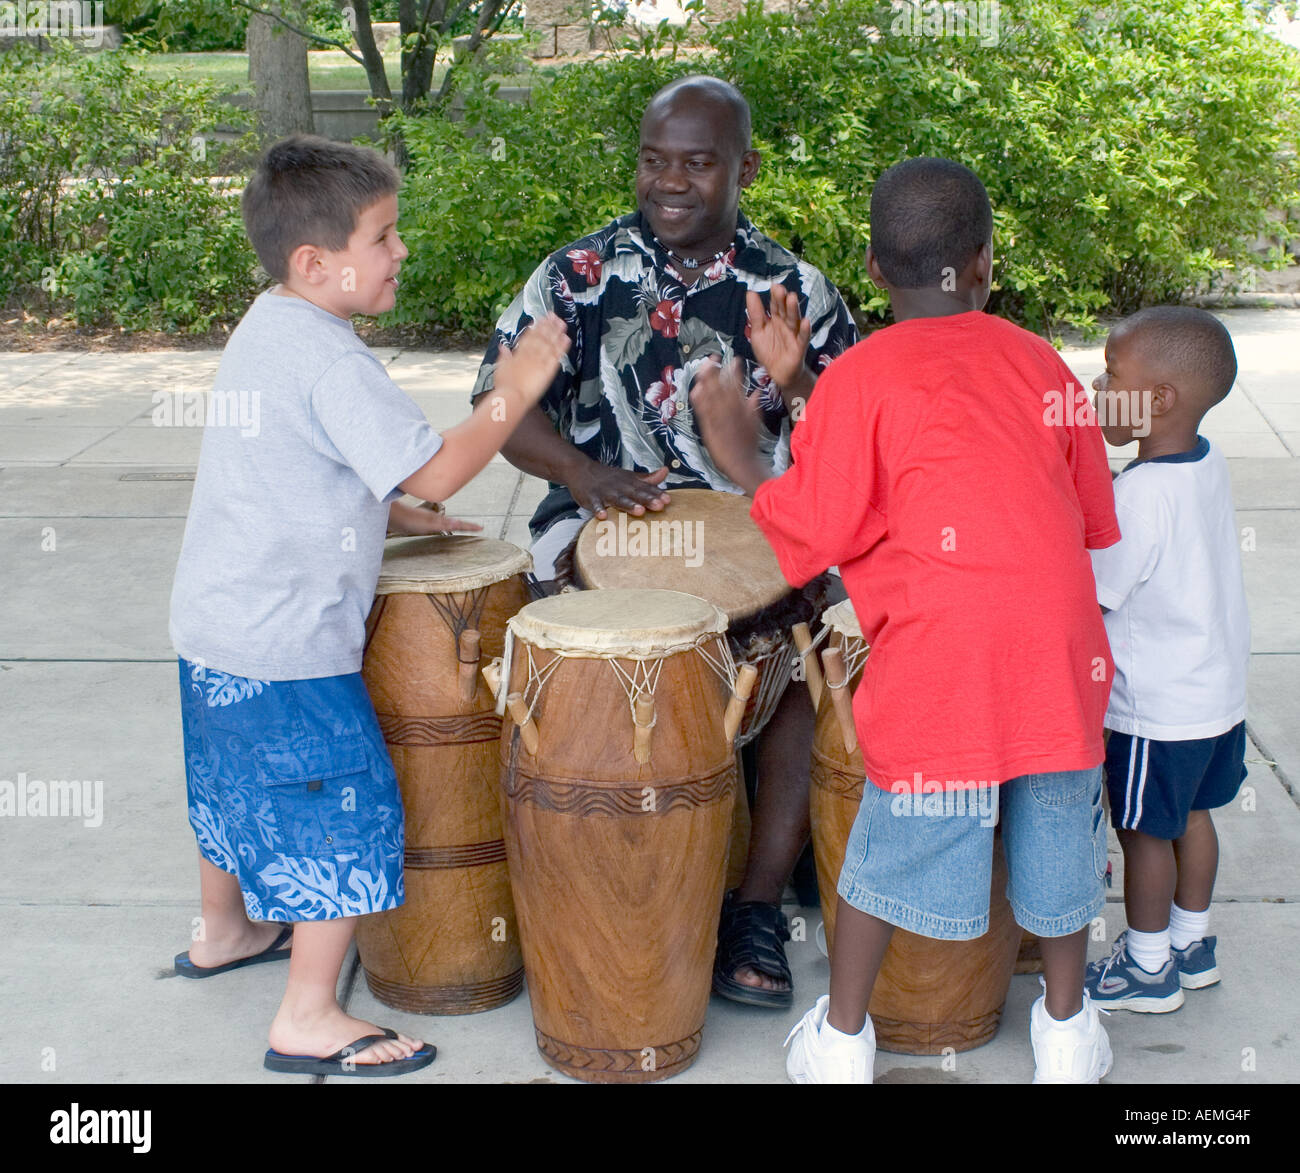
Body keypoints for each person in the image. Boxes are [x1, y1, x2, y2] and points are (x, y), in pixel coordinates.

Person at [691, 157, 1122, 1083]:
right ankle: (1068, 1031)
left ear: (875, 274)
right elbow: (1088, 518)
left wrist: (744, 459)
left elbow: (815, 528)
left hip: (939, 664)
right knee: (1055, 835)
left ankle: (843, 1040)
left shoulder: (858, 380)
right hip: (1058, 658)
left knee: (895, 840)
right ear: (985, 263)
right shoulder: (1042, 363)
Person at [168, 135, 567, 1076]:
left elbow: (285, 463)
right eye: (383, 237)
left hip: (216, 625)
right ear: (318, 263)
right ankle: (308, 1013)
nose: (399, 252)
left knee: (229, 785)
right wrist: (512, 394)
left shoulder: (268, 322)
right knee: (343, 810)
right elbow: (439, 458)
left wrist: (384, 509)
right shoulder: (334, 362)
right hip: (288, 643)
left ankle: (223, 932)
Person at [471, 75, 858, 1008]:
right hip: (601, 524)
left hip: (754, 530)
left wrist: (791, 395)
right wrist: (578, 471)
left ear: (745, 169)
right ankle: (608, 885)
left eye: (696, 162)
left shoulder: (794, 290)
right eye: (654, 160)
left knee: (810, 633)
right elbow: (499, 410)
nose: (669, 181)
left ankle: (756, 904)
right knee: (588, 635)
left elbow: (852, 440)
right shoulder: (575, 276)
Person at [1082, 307, 1249, 1012]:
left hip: (1156, 711)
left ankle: (1148, 966)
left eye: (1112, 375)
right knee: (1195, 817)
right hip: (1214, 700)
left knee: (1145, 830)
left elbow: (1096, 593)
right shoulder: (1203, 465)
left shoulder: (1140, 497)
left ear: (1159, 401)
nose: (1095, 384)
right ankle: (1191, 940)